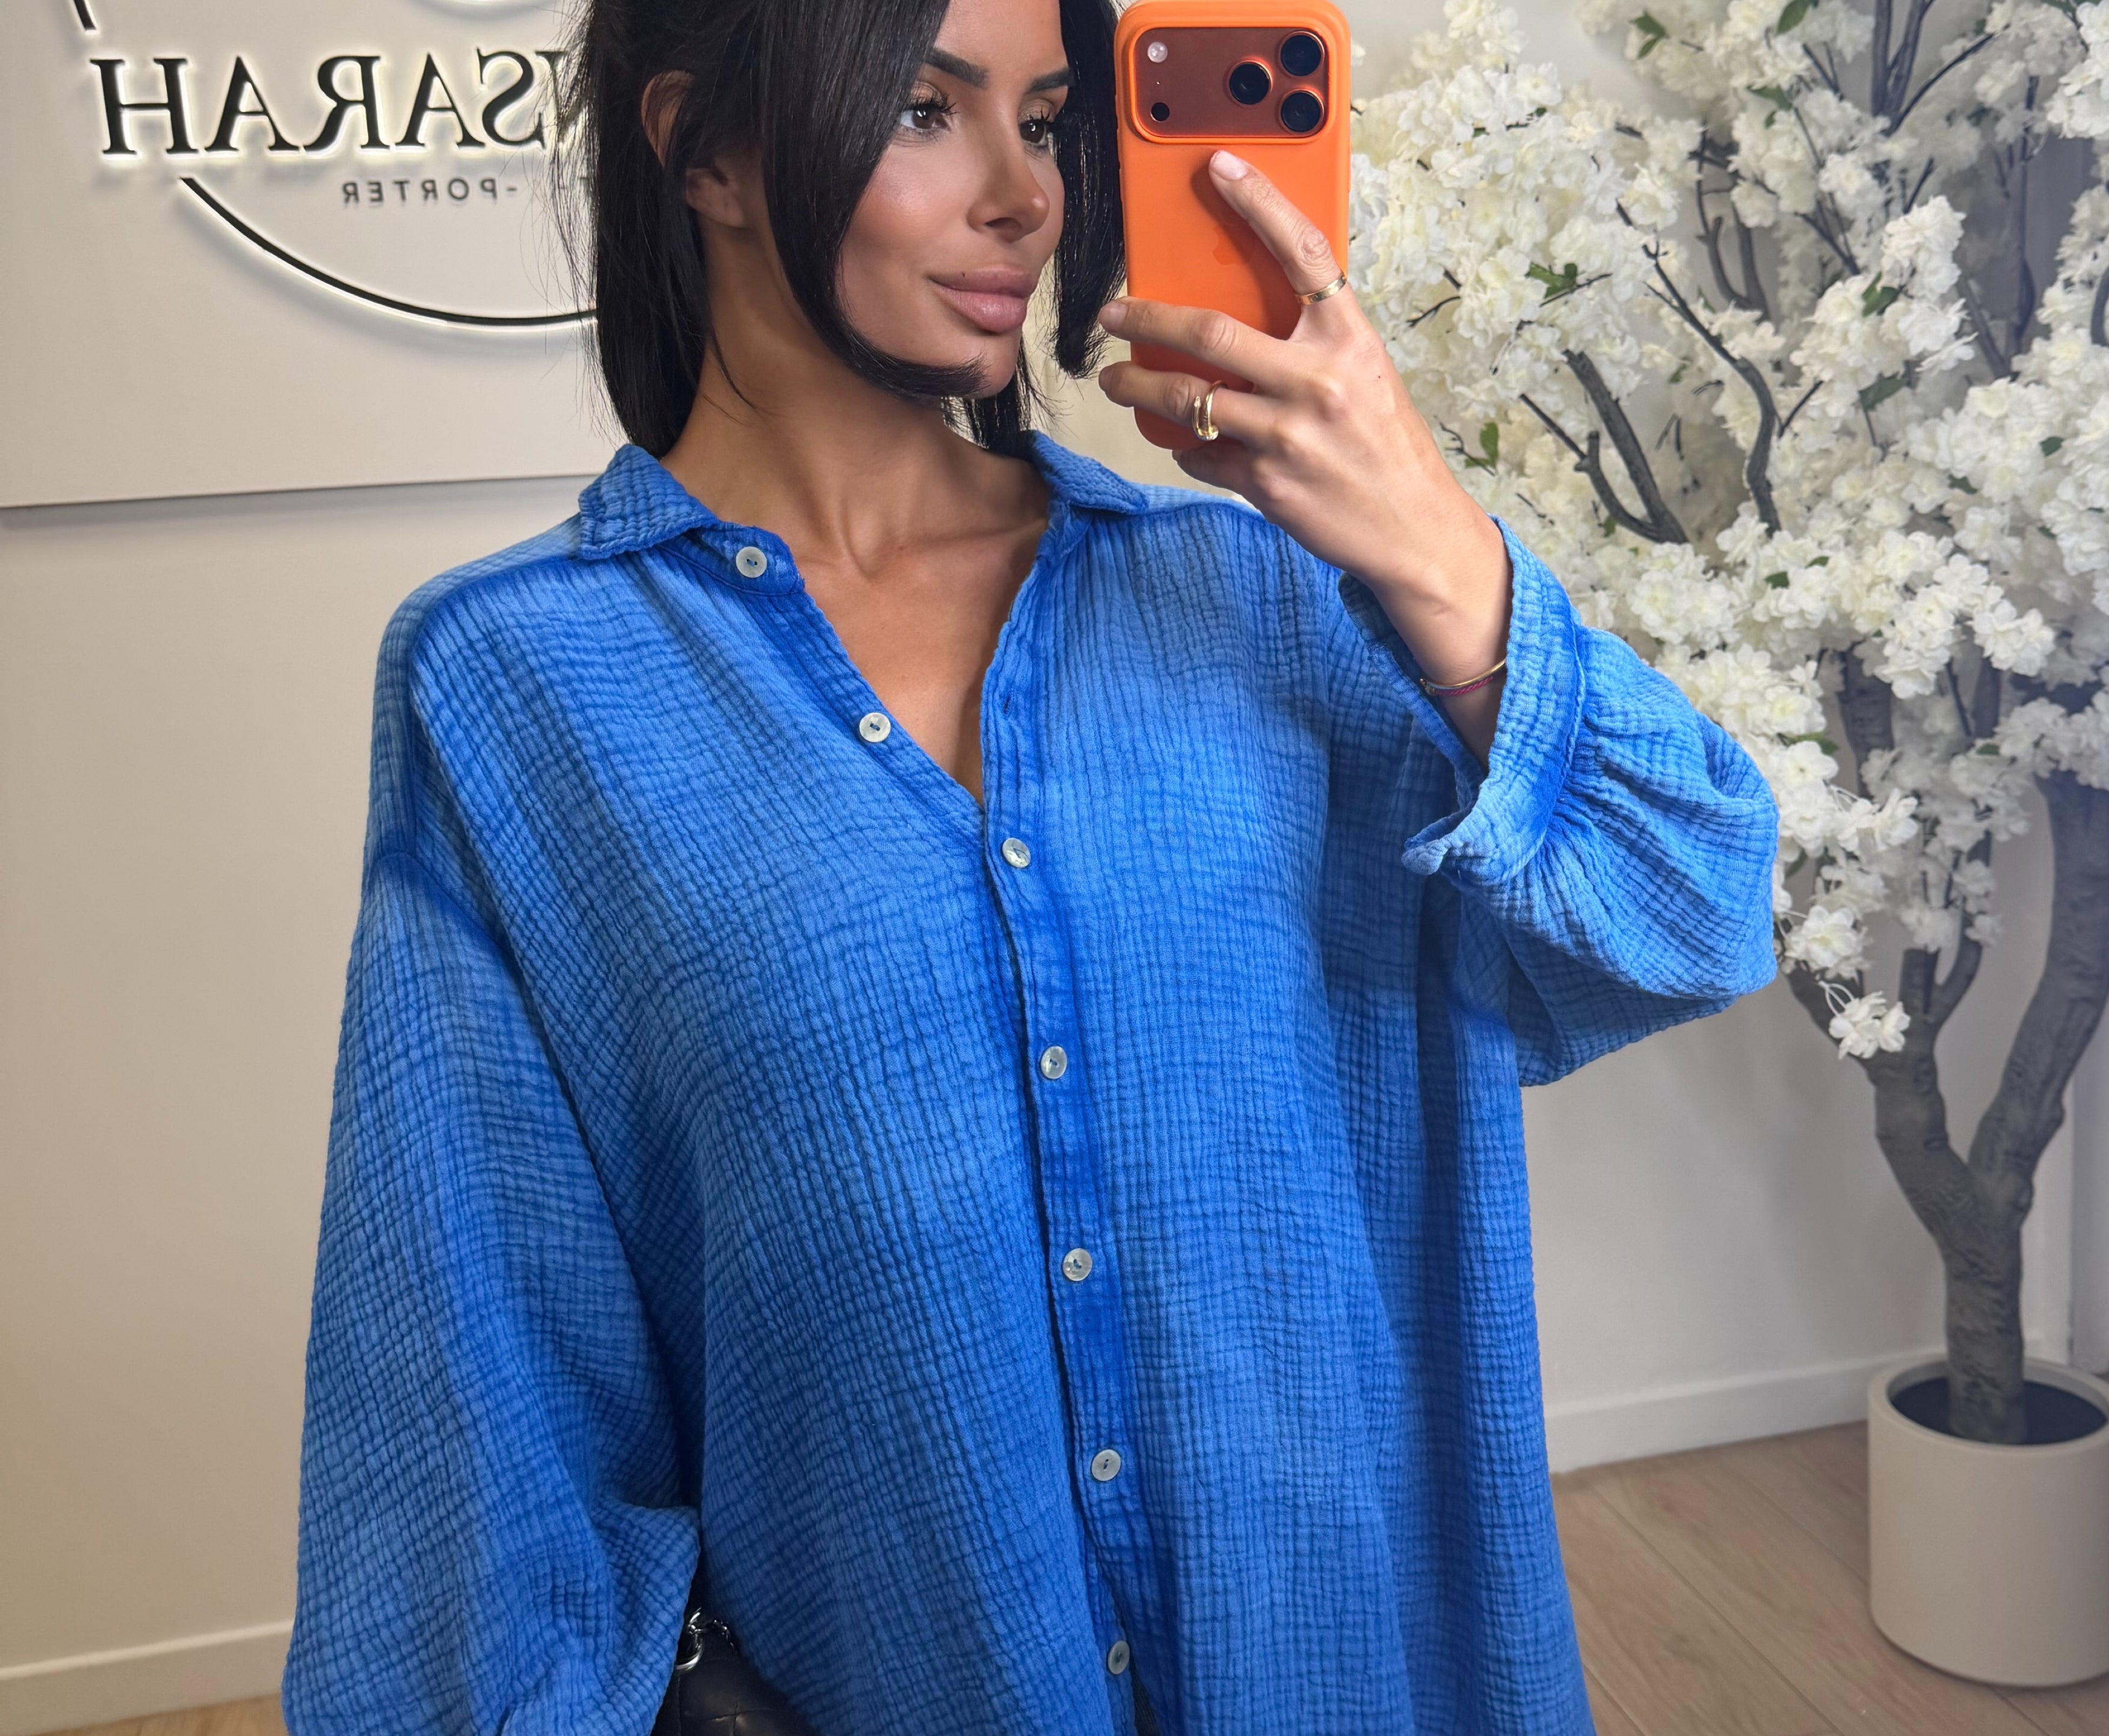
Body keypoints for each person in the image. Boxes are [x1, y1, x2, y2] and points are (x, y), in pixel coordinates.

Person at [277, 0, 1779, 1731]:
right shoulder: (514, 682)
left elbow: (1691, 908)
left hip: (1336, 1664)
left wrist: (1428, 535)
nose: (1027, 196)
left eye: (1051, 121)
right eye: (927, 112)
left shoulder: (1254, 588)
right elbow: (474, 1367)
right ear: (706, 151)